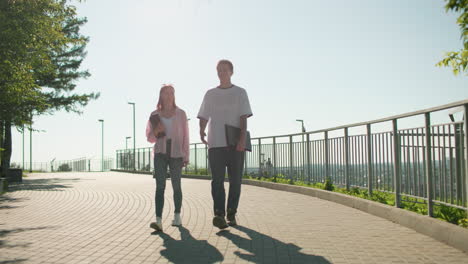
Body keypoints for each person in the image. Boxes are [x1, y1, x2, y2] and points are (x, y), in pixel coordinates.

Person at [197, 60, 253, 229]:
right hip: (216, 144)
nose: (221, 72)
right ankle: (219, 214)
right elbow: (204, 115)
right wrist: (201, 130)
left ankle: (231, 213)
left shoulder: (240, 92)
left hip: (235, 143)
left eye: (224, 70)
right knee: (217, 181)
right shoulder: (210, 93)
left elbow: (243, 118)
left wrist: (242, 139)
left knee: (235, 181)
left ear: (231, 72)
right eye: (219, 70)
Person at [146, 85, 189, 232]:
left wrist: (186, 155)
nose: (169, 95)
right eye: (166, 93)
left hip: (177, 154)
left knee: (176, 186)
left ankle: (177, 216)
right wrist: (156, 133)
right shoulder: (154, 115)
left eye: (171, 93)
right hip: (160, 154)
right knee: (160, 187)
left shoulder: (181, 114)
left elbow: (186, 137)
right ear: (161, 96)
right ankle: (158, 221)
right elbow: (149, 138)